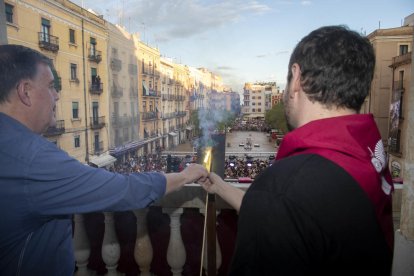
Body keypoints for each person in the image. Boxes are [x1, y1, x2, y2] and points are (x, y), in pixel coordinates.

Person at [0, 44, 209, 275]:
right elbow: (122, 190)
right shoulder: (32, 159)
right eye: (50, 86)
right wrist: (185, 175)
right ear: (25, 91)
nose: (57, 94)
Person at [201, 26, 394, 275]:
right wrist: (221, 187)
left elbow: (282, 208)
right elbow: (306, 218)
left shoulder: (284, 188)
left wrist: (268, 196)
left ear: (297, 77)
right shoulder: (370, 155)